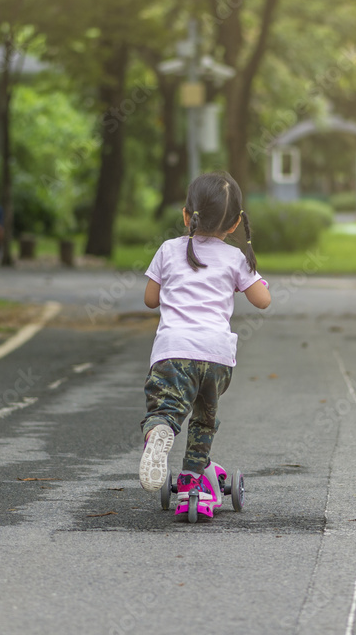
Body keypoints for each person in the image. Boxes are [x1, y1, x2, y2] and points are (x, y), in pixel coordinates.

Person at [138, 172, 271, 520]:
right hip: (215, 356)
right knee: (204, 419)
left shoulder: (169, 250)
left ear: (187, 215)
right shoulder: (235, 258)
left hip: (172, 353)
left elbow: (151, 299)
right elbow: (263, 301)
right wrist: (251, 275)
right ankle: (193, 478)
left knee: (166, 408)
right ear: (236, 223)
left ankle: (161, 429)